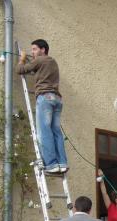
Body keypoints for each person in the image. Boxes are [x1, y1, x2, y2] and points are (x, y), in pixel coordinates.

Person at [16, 39, 68, 175]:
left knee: (44, 132)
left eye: (34, 49)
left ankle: (51, 164)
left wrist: (22, 59)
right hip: (57, 99)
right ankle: (62, 163)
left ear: (43, 49)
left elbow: (20, 70)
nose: (32, 52)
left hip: (45, 98)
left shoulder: (40, 60)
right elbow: (39, 72)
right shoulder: (52, 62)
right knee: (56, 132)